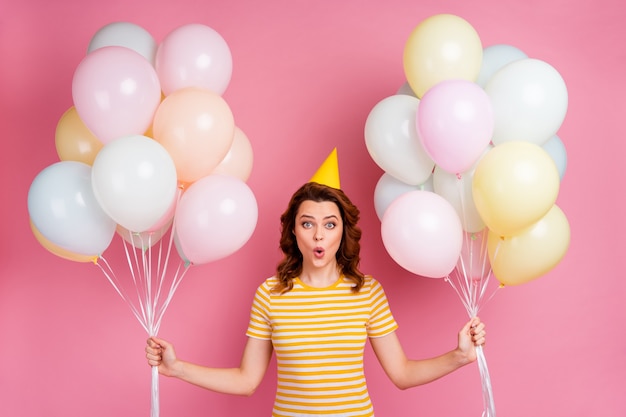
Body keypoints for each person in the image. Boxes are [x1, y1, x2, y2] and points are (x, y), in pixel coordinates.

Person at [146, 181, 486, 417]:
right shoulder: (271, 294)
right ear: (294, 231)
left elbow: (401, 373)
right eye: (307, 223)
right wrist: (177, 369)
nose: (319, 234)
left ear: (343, 231)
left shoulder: (367, 292)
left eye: (330, 224)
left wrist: (459, 356)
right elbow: (247, 381)